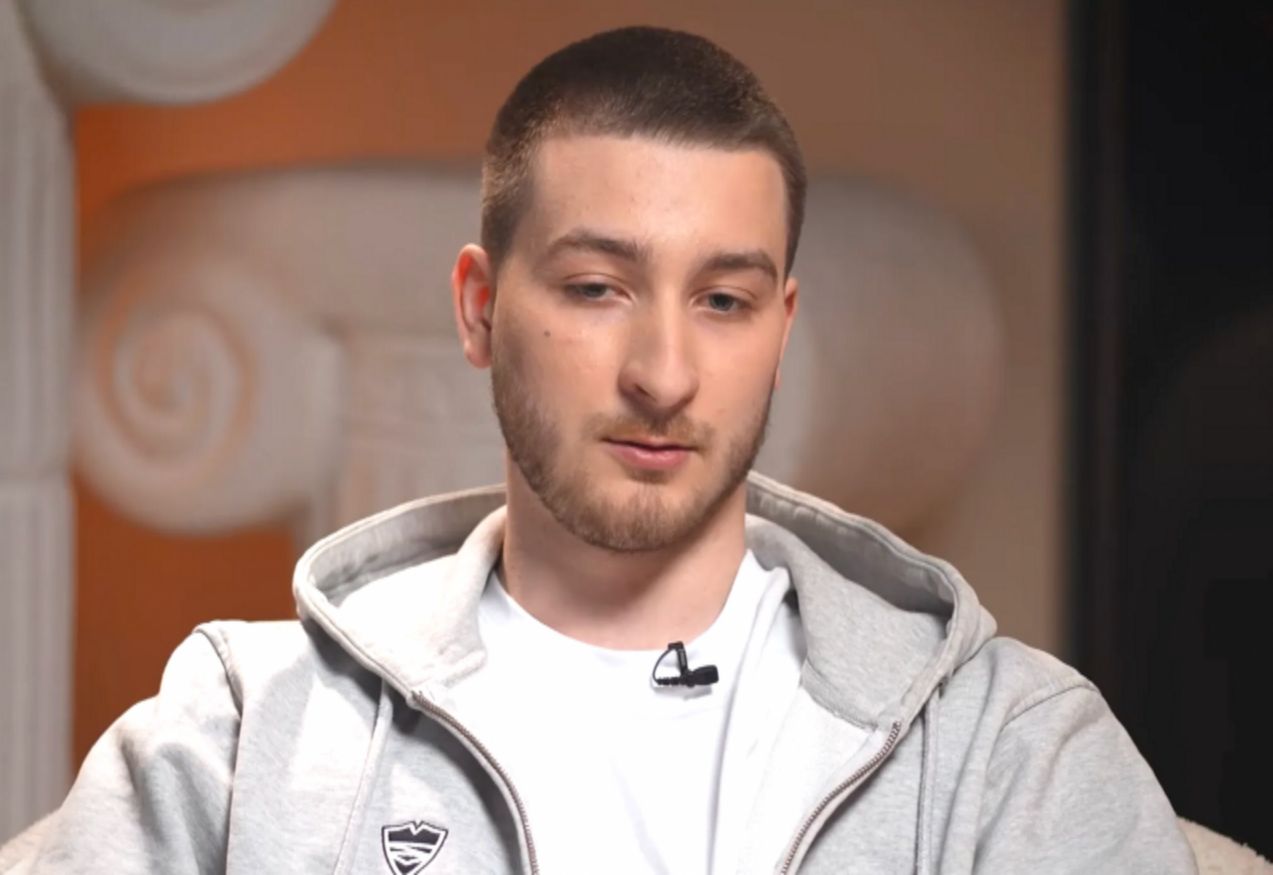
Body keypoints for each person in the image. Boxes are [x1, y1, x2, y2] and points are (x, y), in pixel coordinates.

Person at [11, 26, 1196, 875]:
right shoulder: (242, 730)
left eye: (724, 301)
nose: (663, 374)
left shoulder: (1003, 749)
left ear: (782, 331)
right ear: (479, 307)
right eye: (595, 287)